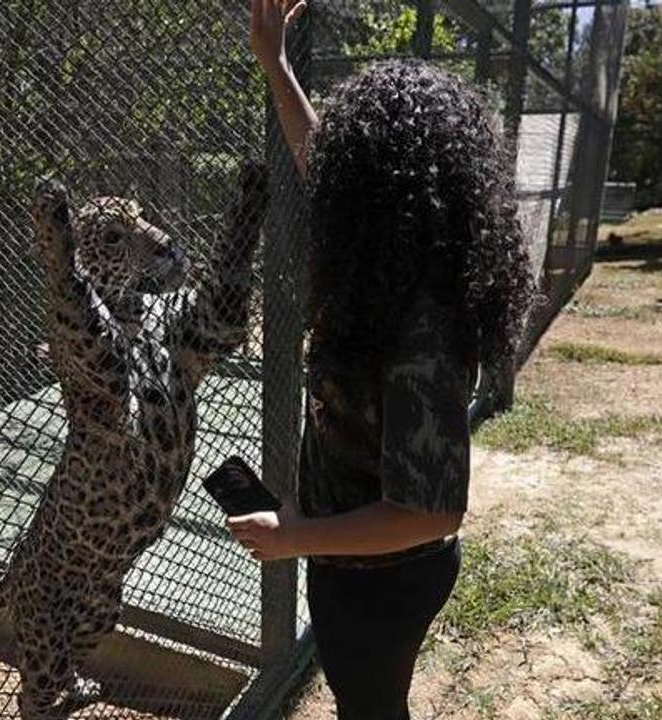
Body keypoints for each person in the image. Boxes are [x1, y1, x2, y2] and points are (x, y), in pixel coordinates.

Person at [228, 1, 536, 718]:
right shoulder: (399, 266)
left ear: (374, 191)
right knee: (359, 698)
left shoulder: (421, 332)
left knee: (369, 709)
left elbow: (430, 514)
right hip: (352, 563)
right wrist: (275, 67)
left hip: (383, 576)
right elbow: (319, 165)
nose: (327, 179)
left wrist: (298, 537)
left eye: (346, 167)